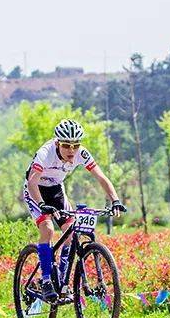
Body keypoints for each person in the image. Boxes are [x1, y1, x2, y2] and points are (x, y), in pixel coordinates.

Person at [23, 118, 126, 302]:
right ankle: (46, 280)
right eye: (66, 146)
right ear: (57, 143)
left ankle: (62, 281)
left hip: (55, 189)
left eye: (75, 146)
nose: (71, 151)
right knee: (47, 229)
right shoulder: (45, 153)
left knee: (71, 234)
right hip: (35, 190)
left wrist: (115, 200)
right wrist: (41, 205)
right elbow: (32, 182)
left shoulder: (81, 153)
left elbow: (101, 177)